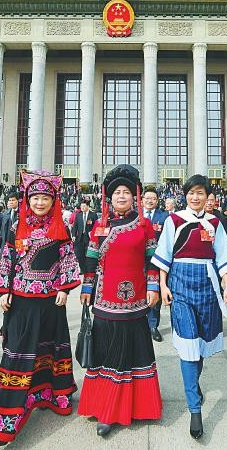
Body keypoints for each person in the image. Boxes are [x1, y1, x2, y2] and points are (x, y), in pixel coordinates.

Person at [0, 171, 80, 447]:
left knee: (50, 348)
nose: (40, 202)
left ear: (53, 201)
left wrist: (64, 288)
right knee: (17, 353)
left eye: (45, 198)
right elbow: (7, 258)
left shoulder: (60, 226)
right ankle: (7, 418)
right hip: (20, 301)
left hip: (51, 301)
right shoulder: (16, 225)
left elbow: (67, 259)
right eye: (35, 198)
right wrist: (4, 289)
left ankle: (51, 393)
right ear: (27, 200)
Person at [153, 174, 227, 440]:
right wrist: (163, 286)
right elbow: (164, 254)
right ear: (185, 195)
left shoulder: (215, 222)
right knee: (188, 343)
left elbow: (223, 255)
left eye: (200, 192)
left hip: (207, 285)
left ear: (207, 196)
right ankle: (195, 408)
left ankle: (194, 384)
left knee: (200, 343)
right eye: (191, 192)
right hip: (180, 284)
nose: (195, 197)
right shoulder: (175, 220)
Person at [78, 165, 162, 437]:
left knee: (133, 351)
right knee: (108, 351)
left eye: (126, 192)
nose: (122, 196)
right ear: (109, 198)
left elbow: (152, 260)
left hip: (135, 299)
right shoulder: (99, 225)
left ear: (134, 196)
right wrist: (87, 287)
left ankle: (137, 407)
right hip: (104, 299)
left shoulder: (144, 225)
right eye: (117, 193)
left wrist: (153, 287)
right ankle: (107, 409)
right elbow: (90, 259)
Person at [139, 187, 169, 342]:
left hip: (156, 261)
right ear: (142, 200)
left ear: (157, 201)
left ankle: (153, 325)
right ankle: (139, 324)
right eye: (147, 198)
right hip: (137, 261)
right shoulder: (135, 215)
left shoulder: (164, 216)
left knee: (154, 292)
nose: (150, 201)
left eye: (153, 199)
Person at [70, 198, 97, 270]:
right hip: (80, 238)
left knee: (88, 254)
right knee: (79, 254)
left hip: (89, 238)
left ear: (88, 206)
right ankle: (82, 269)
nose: (82, 208)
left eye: (84, 206)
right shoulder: (78, 215)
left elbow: (96, 226)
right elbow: (75, 226)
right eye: (81, 206)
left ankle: (89, 269)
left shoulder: (93, 215)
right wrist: (73, 235)